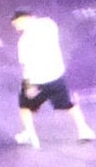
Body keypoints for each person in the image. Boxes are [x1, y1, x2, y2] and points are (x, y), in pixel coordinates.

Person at [8, 9, 90, 146]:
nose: (16, 28)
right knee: (67, 104)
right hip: (56, 75)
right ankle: (84, 129)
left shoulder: (24, 42)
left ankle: (30, 134)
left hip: (37, 80)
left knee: (25, 107)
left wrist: (28, 86)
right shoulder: (49, 24)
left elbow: (25, 66)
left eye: (16, 24)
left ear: (23, 19)